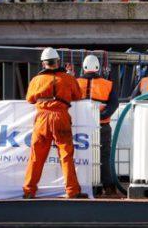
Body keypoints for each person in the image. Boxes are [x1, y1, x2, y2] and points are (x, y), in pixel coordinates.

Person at [23, 47, 85, 199]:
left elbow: (30, 99)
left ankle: (29, 191)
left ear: (43, 64)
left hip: (42, 119)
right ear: (58, 61)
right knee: (66, 155)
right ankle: (72, 191)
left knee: (36, 156)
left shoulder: (36, 80)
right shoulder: (68, 79)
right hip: (60, 118)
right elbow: (78, 95)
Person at [75, 54, 119, 194]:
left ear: (84, 68)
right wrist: (101, 116)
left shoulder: (75, 83)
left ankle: (81, 184)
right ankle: (109, 187)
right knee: (103, 156)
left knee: (79, 156)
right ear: (98, 68)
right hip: (102, 126)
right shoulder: (107, 84)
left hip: (80, 127)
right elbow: (114, 104)